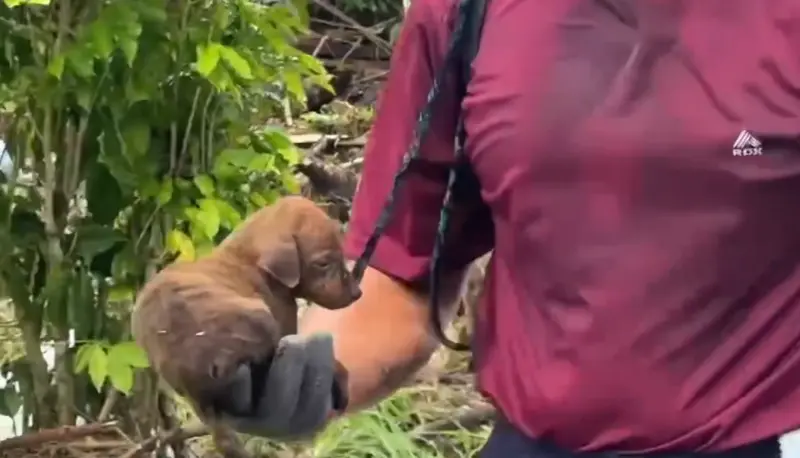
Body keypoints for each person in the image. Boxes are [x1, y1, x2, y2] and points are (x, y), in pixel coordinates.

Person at [180, 1, 800, 457]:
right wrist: (287, 376)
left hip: (757, 440)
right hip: (534, 445)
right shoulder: (468, 16)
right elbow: (402, 279)